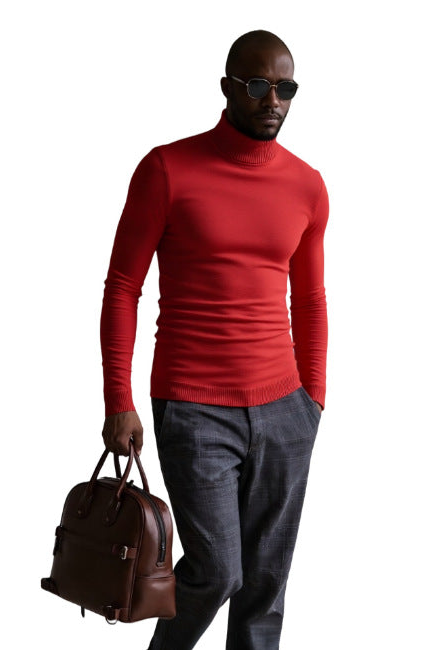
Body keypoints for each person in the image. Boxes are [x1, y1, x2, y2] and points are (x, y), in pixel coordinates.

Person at [100, 29, 328, 650]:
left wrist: (312, 398)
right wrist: (118, 400)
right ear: (227, 87)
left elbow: (310, 298)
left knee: (265, 584)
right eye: (258, 85)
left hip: (286, 409)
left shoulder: (307, 185)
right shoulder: (167, 169)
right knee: (218, 569)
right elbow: (123, 287)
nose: (272, 100)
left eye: (285, 88)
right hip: (194, 406)